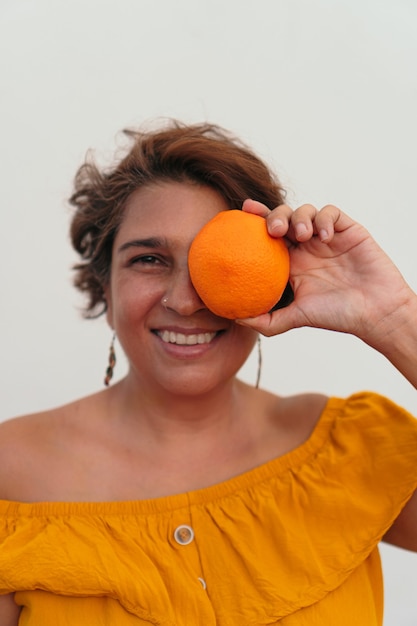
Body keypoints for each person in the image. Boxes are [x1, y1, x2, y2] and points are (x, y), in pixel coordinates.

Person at [0, 121, 416, 626]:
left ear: (277, 282)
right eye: (149, 259)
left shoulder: (347, 448)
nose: (184, 301)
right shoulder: (11, 475)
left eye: (214, 262)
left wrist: (395, 321)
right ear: (103, 288)